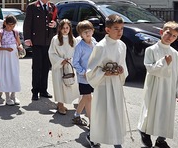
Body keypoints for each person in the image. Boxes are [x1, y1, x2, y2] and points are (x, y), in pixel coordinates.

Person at [137, 21, 178, 148]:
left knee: (166, 114)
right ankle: (144, 132)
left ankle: (161, 140)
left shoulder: (176, 54)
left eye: (174, 36)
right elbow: (150, 68)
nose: (170, 37)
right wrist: (163, 61)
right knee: (151, 110)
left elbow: (177, 74)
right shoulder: (151, 50)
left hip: (169, 89)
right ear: (161, 32)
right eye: (168, 33)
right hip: (154, 86)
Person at [86, 14, 128, 148]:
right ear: (107, 30)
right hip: (103, 85)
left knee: (116, 114)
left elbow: (123, 65)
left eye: (122, 28)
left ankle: (117, 142)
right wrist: (104, 72)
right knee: (103, 114)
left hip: (115, 84)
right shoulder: (101, 47)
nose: (120, 32)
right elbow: (91, 70)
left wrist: (121, 71)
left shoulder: (122, 45)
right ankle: (93, 138)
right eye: (116, 28)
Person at [23, 0, 58, 101]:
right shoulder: (32, 7)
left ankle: (44, 90)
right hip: (37, 42)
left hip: (48, 42)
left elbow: (56, 20)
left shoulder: (51, 7)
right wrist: (27, 38)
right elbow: (27, 24)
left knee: (45, 67)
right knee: (37, 67)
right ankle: (35, 91)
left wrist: (55, 25)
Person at [48, 19, 79, 115]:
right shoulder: (55, 39)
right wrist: (61, 61)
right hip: (59, 66)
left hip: (69, 65)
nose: (65, 30)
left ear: (70, 28)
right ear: (60, 29)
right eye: (63, 28)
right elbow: (52, 53)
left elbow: (77, 53)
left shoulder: (73, 40)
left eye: (67, 28)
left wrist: (70, 60)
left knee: (68, 85)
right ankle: (60, 104)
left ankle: (64, 102)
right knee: (59, 85)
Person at [72, 20, 97, 126]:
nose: (87, 33)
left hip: (94, 75)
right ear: (80, 35)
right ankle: (92, 122)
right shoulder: (79, 47)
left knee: (86, 97)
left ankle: (77, 115)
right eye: (84, 32)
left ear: (93, 31)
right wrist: (83, 72)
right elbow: (75, 62)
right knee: (88, 97)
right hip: (84, 77)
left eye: (89, 31)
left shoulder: (95, 43)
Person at [0, 15, 22, 105]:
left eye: (13, 26)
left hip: (14, 55)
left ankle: (13, 95)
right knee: (5, 74)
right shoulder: (1, 33)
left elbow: (19, 43)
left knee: (14, 73)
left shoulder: (15, 32)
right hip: (5, 55)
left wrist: (20, 47)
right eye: (9, 25)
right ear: (5, 23)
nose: (11, 27)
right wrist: (6, 49)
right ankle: (7, 97)